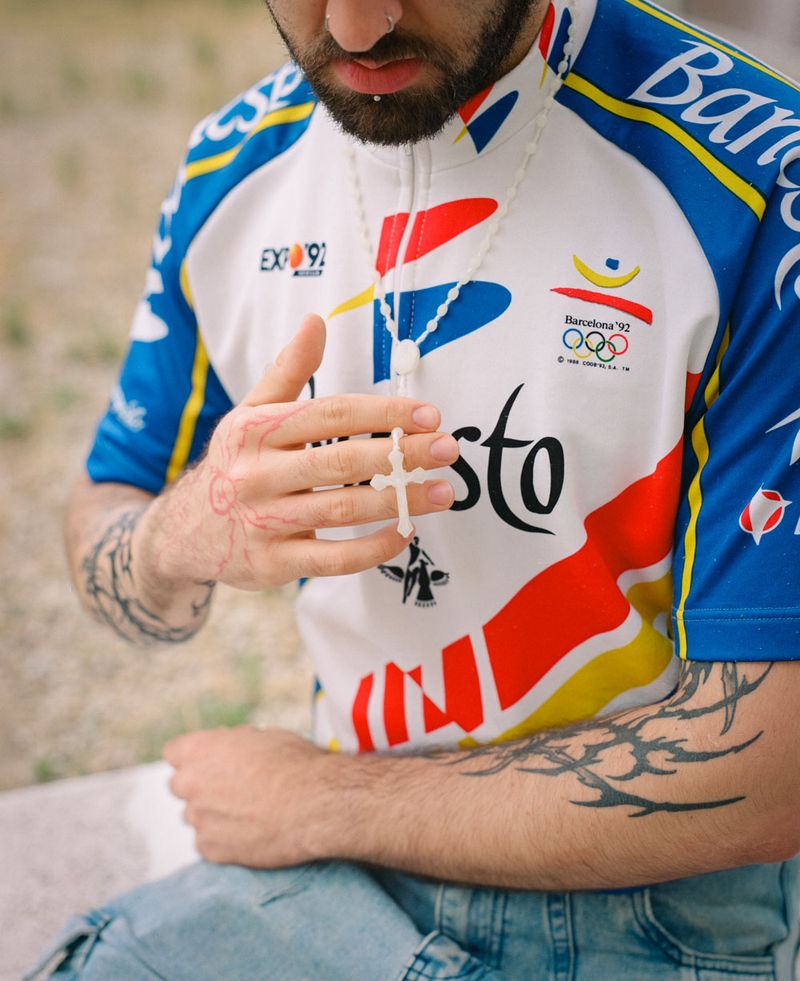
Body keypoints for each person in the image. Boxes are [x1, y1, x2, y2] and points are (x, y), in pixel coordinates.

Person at [28, 0, 800, 977]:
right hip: (338, 877)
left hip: (649, 899)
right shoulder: (228, 172)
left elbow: (774, 762)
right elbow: (111, 508)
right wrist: (177, 537)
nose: (356, 29)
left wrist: (320, 802)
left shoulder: (758, 175)